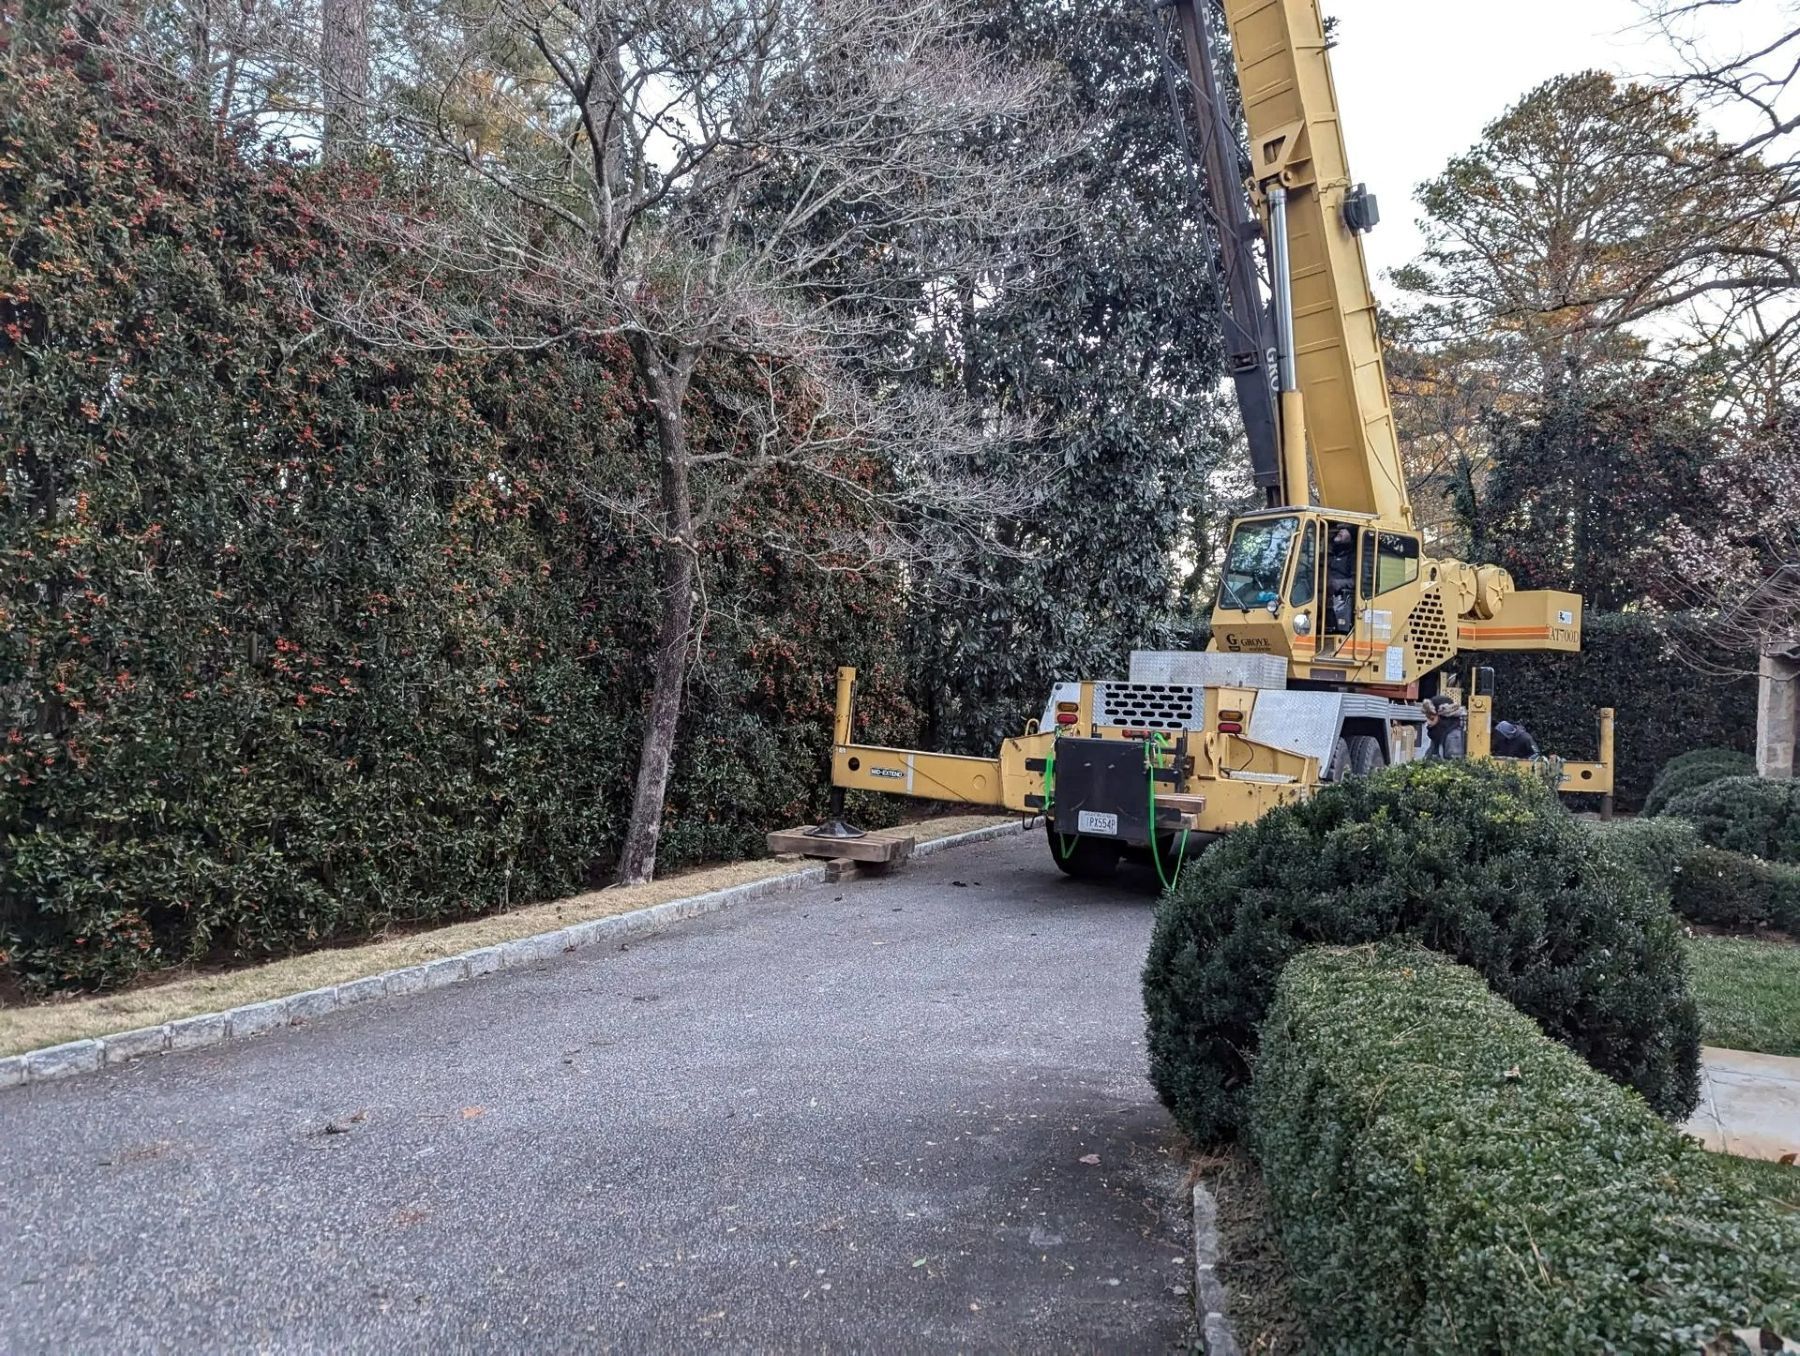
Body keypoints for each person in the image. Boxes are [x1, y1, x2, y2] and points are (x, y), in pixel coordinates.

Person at [1326, 525, 1355, 634]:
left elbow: (1357, 581)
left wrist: (1338, 583)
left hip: (1340, 599)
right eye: (1339, 530)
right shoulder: (1330, 555)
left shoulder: (1353, 558)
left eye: (1346, 530)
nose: (1341, 531)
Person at [1420, 694, 1466, 759]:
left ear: (1443, 718)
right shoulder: (1439, 735)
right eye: (1427, 718)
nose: (1428, 722)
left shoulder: (1453, 738)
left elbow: (1455, 766)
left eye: (1432, 718)